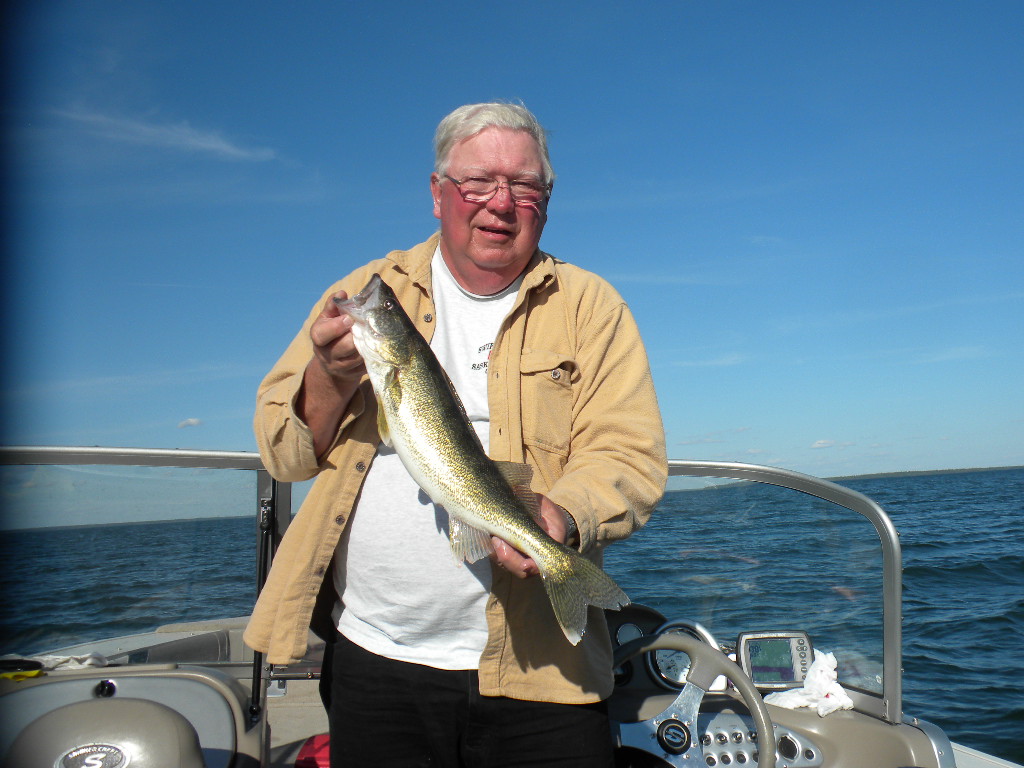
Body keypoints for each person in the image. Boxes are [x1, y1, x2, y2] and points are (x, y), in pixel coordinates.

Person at [244, 102, 667, 767]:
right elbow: (285, 452)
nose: (500, 202)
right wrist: (328, 372)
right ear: (438, 194)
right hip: (377, 659)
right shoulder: (365, 290)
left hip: (542, 676)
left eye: (524, 186)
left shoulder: (591, 306)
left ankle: (568, 581)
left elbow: (629, 457)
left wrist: (561, 514)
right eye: (477, 182)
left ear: (546, 204)